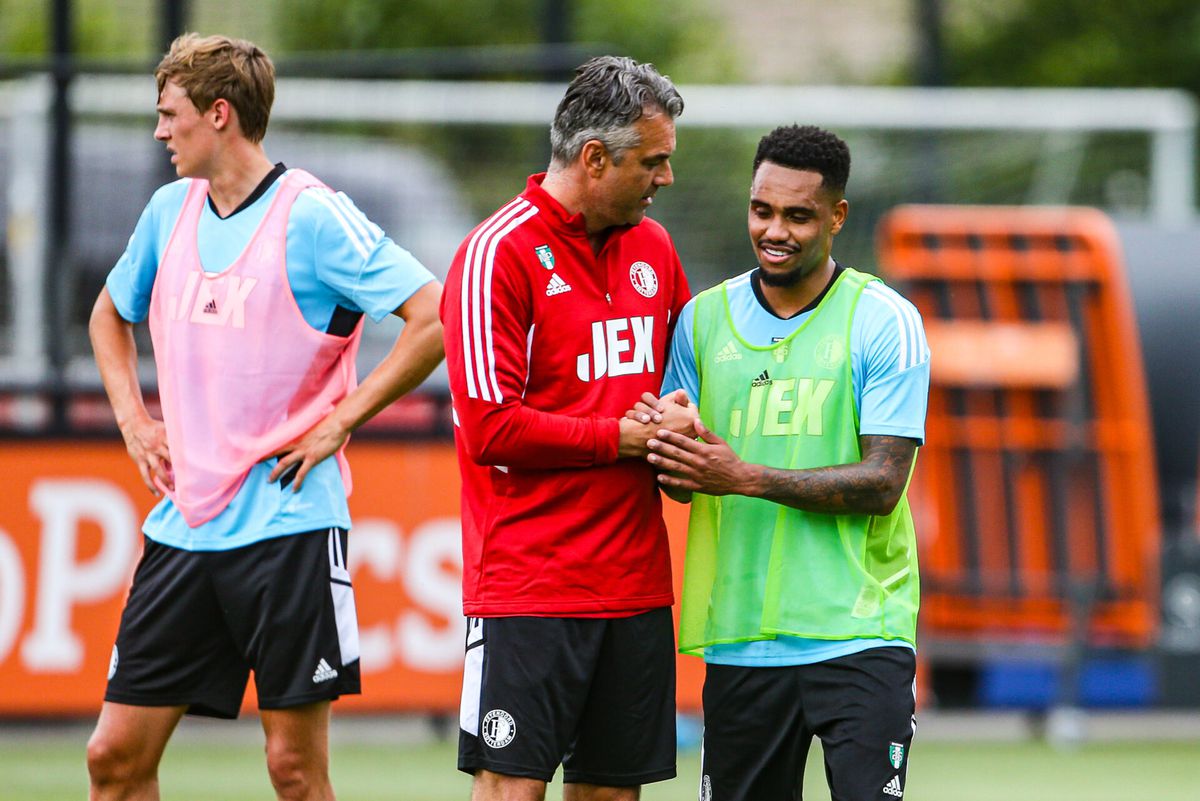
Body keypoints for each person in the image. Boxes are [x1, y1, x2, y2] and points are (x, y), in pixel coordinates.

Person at [86, 33, 444, 801]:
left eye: (168, 114)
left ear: (218, 114)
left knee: (292, 770)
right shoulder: (167, 210)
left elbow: (433, 315)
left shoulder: (311, 215)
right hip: (183, 528)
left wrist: (341, 419)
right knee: (113, 758)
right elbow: (108, 316)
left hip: (288, 528)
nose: (159, 132)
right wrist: (134, 421)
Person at [643, 125, 930, 801]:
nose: (775, 230)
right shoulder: (701, 322)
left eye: (798, 215)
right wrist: (666, 448)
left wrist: (739, 475)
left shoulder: (883, 320)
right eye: (762, 210)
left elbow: (882, 482)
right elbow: (681, 484)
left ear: (837, 217)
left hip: (859, 631)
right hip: (740, 637)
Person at [440, 56, 694, 801]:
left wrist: (683, 418)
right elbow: (491, 429)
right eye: (653, 161)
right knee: (510, 790)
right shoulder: (498, 254)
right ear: (593, 158)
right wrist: (620, 437)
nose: (666, 178)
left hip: (637, 585)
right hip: (531, 586)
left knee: (613, 795)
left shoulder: (656, 249)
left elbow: (682, 384)